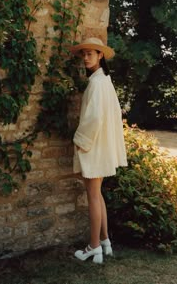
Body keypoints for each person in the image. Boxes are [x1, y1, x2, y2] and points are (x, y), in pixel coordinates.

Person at [69, 37, 128, 264]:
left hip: (93, 144)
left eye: (90, 53)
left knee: (93, 195)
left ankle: (93, 247)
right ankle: (105, 242)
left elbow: (94, 118)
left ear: (100, 55)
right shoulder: (103, 80)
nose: (85, 57)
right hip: (100, 144)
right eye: (83, 54)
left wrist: (79, 141)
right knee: (97, 194)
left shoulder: (96, 83)